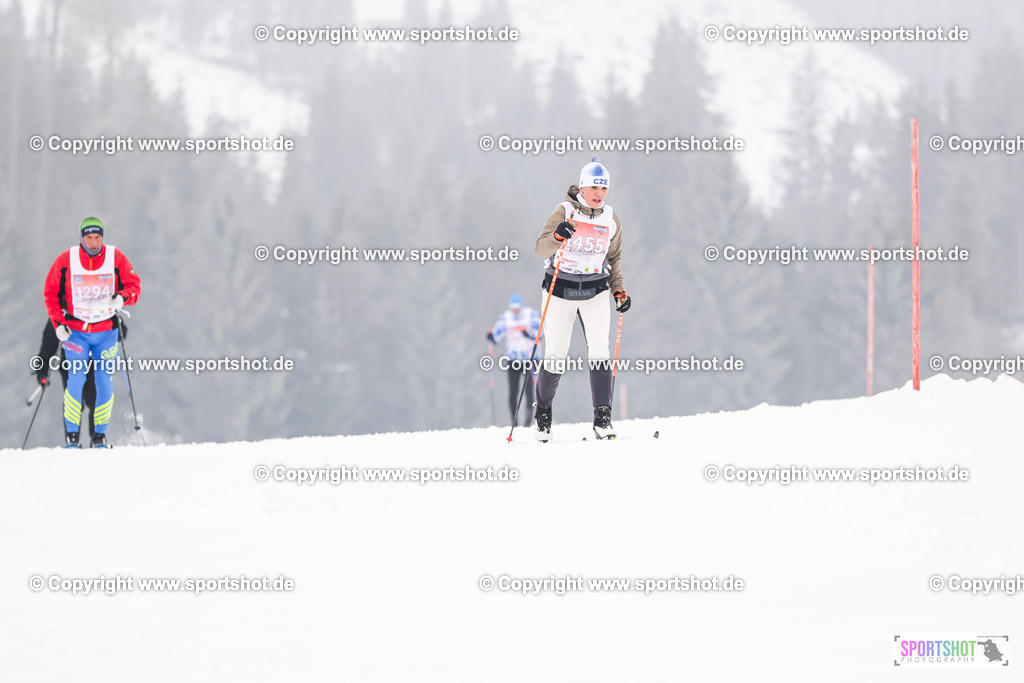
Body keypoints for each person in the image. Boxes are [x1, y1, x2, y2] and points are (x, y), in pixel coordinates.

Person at [533, 157, 631, 441]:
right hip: (560, 289)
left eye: (604, 188)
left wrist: (619, 290)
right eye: (594, 188)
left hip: (595, 290)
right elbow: (540, 248)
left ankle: (603, 418)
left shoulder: (611, 218)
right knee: (556, 353)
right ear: (582, 188)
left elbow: (614, 259)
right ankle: (543, 414)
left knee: (600, 351)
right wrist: (557, 236)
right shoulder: (564, 210)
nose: (599, 194)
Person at [43, 217, 141, 448]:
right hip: (77, 332)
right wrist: (58, 325)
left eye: (98, 237)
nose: (94, 242)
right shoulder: (66, 260)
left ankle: (99, 436)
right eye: (89, 238)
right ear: (81, 238)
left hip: (106, 332)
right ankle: (72, 436)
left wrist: (122, 298)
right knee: (75, 379)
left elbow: (134, 285)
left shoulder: (115, 257)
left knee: (104, 381)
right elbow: (50, 295)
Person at [34, 317, 129, 441]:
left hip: (95, 364)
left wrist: (117, 329)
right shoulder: (63, 312)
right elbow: (50, 341)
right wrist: (43, 370)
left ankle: (97, 438)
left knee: (96, 399)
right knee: (73, 399)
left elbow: (120, 330)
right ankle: (72, 438)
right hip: (71, 364)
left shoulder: (101, 308)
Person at [487, 294, 541, 426]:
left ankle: (528, 422)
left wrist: (530, 334)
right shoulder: (506, 318)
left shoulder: (531, 315)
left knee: (529, 391)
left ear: (522, 307)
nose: (515, 311)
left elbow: (542, 332)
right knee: (513, 391)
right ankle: (514, 422)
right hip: (513, 360)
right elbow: (497, 336)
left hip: (530, 359)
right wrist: (491, 337)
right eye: (513, 308)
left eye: (518, 308)